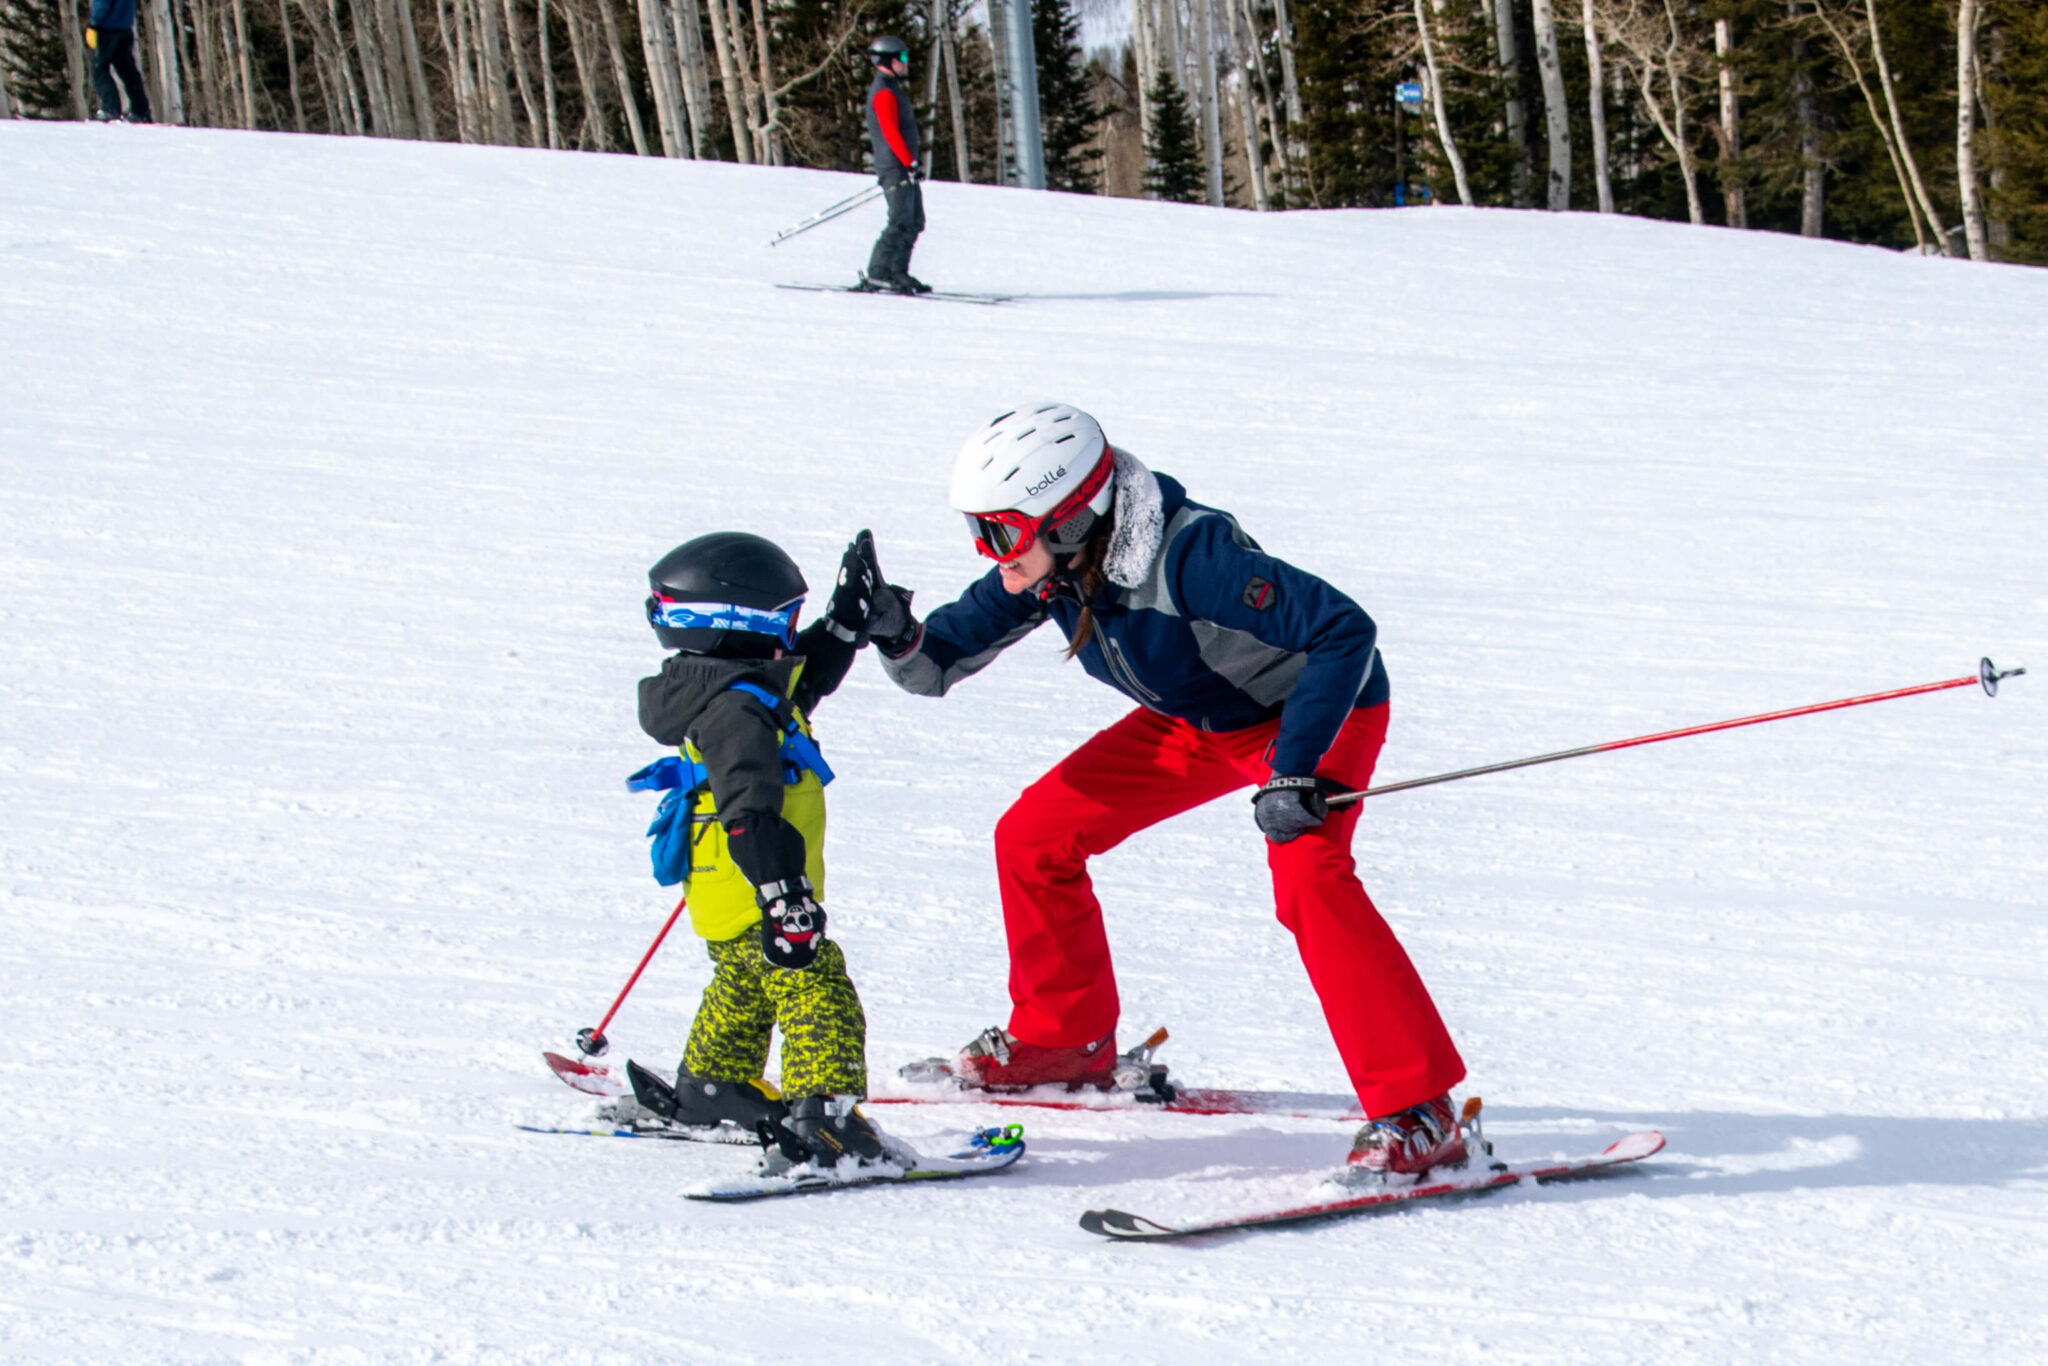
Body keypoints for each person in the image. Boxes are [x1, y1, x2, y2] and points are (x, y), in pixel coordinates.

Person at [837, 403, 1472, 1178]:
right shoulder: (1050, 571)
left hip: (1309, 713)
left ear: (1069, 517)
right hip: (1198, 720)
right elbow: (936, 664)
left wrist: (1298, 768)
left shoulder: (1192, 557)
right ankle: (1064, 1038)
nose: (988, 552)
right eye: (979, 531)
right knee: (1033, 837)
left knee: (1309, 878)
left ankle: (1418, 1108)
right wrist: (892, 632)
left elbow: (1343, 630)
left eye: (1001, 530)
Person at [621, 531, 910, 1171]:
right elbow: (750, 812)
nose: (791, 631)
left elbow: (803, 682)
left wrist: (843, 624)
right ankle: (823, 1117)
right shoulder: (736, 712)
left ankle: (711, 1087)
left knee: (746, 984)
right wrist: (786, 898)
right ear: (737, 624)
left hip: (728, 888)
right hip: (757, 884)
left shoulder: (735, 688)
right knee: (814, 987)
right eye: (787, 618)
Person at [859, 35, 928, 295]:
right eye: (903, 57)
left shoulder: (892, 88)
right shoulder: (884, 91)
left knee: (914, 221)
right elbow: (890, 132)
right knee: (900, 221)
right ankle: (878, 273)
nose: (906, 62)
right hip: (895, 167)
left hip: (903, 166)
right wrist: (909, 162)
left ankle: (898, 273)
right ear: (889, 60)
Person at [86, 0, 153, 124]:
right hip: (125, 27)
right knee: (127, 70)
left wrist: (94, 23)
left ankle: (110, 109)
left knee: (100, 68)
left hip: (107, 28)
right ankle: (141, 110)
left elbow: (102, 3)